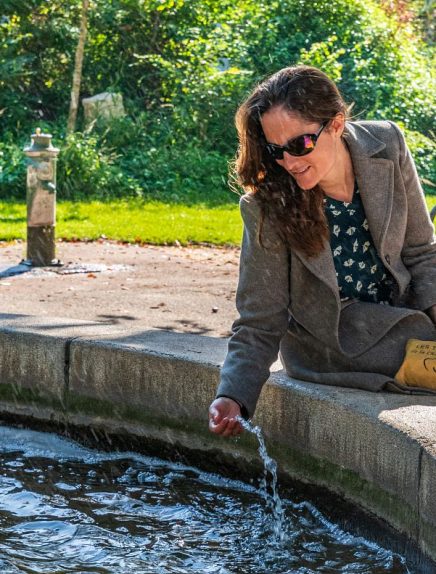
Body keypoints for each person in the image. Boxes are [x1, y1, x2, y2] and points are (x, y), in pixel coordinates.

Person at [208, 65, 436, 437]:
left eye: (300, 145)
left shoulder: (387, 145)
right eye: (276, 150)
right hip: (338, 342)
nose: (290, 162)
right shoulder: (266, 204)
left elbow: (422, 253)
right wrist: (233, 395)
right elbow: (260, 318)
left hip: (405, 316)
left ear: (336, 124)